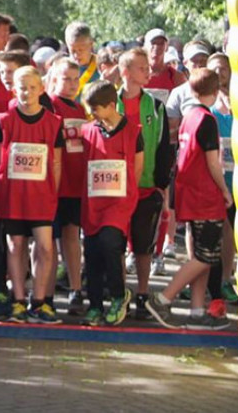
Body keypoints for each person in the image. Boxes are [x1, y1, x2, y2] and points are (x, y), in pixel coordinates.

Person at [144, 68, 232, 330]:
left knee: (201, 255)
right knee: (205, 256)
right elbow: (213, 163)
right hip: (205, 196)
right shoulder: (207, 119)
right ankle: (163, 298)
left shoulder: (189, 116)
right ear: (215, 92)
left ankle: (196, 310)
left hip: (189, 193)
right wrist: (225, 191)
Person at [0, 66, 64, 324]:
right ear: (14, 89)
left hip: (41, 196)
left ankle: (40, 300)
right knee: (16, 246)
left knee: (45, 248)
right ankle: (18, 300)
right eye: (22, 87)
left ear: (42, 89)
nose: (27, 92)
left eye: (32, 87)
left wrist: (51, 193)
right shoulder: (5, 121)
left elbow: (56, 163)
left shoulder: (54, 123)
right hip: (13, 195)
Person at [116, 48, 176, 319]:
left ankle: (142, 293)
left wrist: (162, 183)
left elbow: (164, 145)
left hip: (147, 186)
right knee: (117, 244)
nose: (148, 71)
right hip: (114, 188)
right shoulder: (109, 102)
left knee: (143, 247)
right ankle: (120, 295)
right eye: (142, 68)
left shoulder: (155, 106)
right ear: (125, 72)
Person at [78, 80, 143, 326]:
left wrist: (126, 195)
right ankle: (94, 304)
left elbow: (136, 168)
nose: (92, 114)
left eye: (96, 109)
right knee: (93, 251)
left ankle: (118, 295)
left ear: (111, 105)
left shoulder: (133, 132)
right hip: (93, 201)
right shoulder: (88, 130)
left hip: (119, 202)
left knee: (110, 243)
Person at [46, 57, 89, 316]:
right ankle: (45, 293)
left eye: (76, 79)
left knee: (72, 236)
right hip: (51, 185)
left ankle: (75, 289)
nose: (72, 84)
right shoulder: (48, 105)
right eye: (66, 79)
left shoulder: (80, 109)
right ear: (53, 79)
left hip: (74, 183)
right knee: (47, 242)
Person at [207, 53, 238, 306]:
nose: (220, 73)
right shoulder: (206, 109)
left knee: (231, 232)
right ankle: (208, 281)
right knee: (210, 234)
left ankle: (226, 279)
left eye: (223, 68)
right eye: (215, 69)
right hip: (214, 179)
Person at [166, 41, 213, 141]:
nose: (199, 64)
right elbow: (172, 133)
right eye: (194, 60)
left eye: (203, 59)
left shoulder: (219, 89)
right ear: (185, 63)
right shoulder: (178, 93)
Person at [143, 28, 185, 102]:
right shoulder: (136, 73)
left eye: (161, 43)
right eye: (153, 43)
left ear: (166, 47)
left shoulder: (176, 76)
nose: (157, 47)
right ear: (145, 46)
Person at [64, 22, 99, 97]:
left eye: (81, 50)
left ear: (91, 44)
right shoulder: (61, 69)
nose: (76, 55)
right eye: (73, 50)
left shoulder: (100, 66)